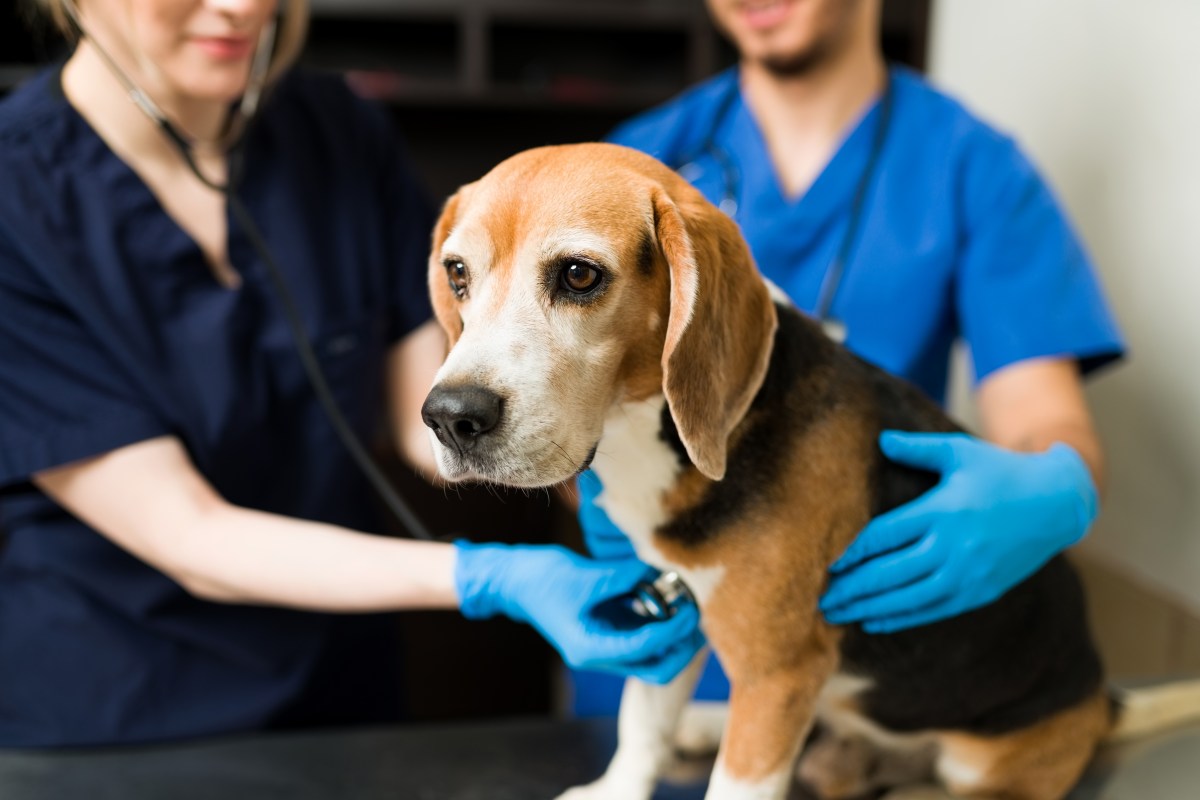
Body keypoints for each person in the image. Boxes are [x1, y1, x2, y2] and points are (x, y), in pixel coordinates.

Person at [0, 0, 703, 748]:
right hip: (119, 714)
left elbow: (425, 420)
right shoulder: (16, 198)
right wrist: (494, 577)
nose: (242, 7)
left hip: (342, 693)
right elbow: (189, 535)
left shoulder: (332, 129)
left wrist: (618, 457)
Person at [572, 0, 1124, 711]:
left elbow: (1039, 415)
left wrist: (1055, 489)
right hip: (659, 652)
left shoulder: (972, 168)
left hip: (853, 661)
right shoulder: (630, 172)